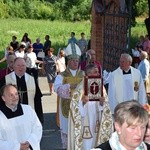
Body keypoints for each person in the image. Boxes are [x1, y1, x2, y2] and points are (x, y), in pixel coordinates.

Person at [68, 64, 113, 150]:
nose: (98, 74)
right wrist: (82, 103)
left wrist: (101, 103)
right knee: (86, 144)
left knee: (96, 143)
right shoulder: (80, 87)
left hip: (96, 120)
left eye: (98, 72)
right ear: (88, 74)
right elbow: (74, 107)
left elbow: (105, 107)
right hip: (85, 120)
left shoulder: (101, 86)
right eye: (95, 72)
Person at [54, 43, 84, 149]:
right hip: (66, 107)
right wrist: (69, 86)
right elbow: (56, 88)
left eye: (77, 61)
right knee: (68, 134)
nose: (75, 63)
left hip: (81, 108)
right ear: (68, 61)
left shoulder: (84, 75)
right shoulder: (62, 75)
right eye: (73, 60)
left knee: (80, 134)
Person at [0, 57, 44, 124]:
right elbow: (1, 99)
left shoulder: (32, 80)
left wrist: (40, 117)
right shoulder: (5, 80)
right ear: (13, 66)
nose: (21, 67)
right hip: (10, 116)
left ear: (26, 67)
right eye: (18, 65)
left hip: (29, 115)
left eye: (23, 65)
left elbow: (37, 99)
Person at [0, 84, 42, 150]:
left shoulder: (28, 109)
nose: (15, 97)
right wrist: (17, 147)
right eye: (11, 95)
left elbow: (37, 127)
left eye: (16, 94)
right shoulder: (1, 116)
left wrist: (30, 143)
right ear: (3, 98)